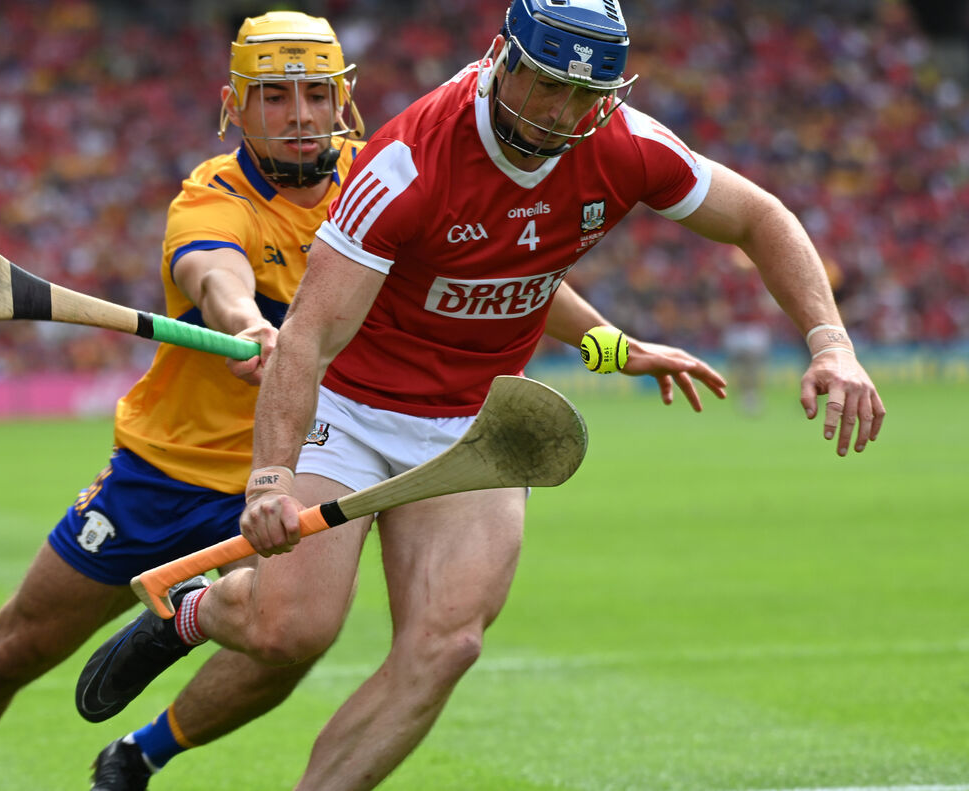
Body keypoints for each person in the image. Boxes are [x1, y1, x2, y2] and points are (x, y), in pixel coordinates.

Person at [78, 1, 887, 789]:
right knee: (292, 629)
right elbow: (307, 340)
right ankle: (192, 610)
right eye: (543, 83)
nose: (558, 112)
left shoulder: (625, 144)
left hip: (477, 425)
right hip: (351, 411)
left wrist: (830, 343)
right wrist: (268, 479)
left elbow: (757, 217)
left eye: (584, 95)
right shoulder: (408, 164)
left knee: (447, 644)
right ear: (502, 57)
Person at [0, 11, 364, 791]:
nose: (298, 115)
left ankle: (143, 744)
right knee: (13, 648)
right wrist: (253, 327)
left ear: (341, 101)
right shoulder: (213, 195)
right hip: (167, 472)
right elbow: (216, 275)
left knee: (294, 635)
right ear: (235, 105)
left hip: (294, 473)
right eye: (273, 95)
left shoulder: (378, 183)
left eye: (315, 94)